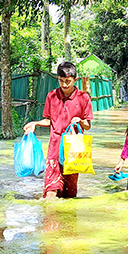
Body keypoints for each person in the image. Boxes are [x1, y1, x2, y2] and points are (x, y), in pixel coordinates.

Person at [24, 62, 93, 199]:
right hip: (54, 150)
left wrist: (79, 120)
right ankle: (50, 218)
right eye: (61, 81)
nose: (64, 85)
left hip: (74, 151)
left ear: (75, 80)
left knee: (69, 194)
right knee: (51, 190)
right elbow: (49, 121)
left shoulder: (84, 98)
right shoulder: (52, 96)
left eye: (68, 81)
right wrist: (35, 123)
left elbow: (87, 125)